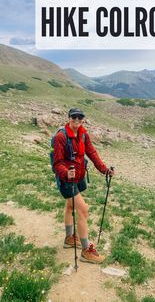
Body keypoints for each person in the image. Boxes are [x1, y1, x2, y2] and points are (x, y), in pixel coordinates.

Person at [53, 108, 114, 264]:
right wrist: (66, 173)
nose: (77, 119)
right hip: (67, 180)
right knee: (83, 209)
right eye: (74, 117)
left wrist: (104, 170)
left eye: (80, 117)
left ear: (83, 119)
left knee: (69, 206)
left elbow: (92, 153)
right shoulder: (61, 137)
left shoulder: (83, 134)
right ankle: (86, 251)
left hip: (79, 177)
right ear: (68, 118)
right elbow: (57, 163)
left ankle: (69, 238)